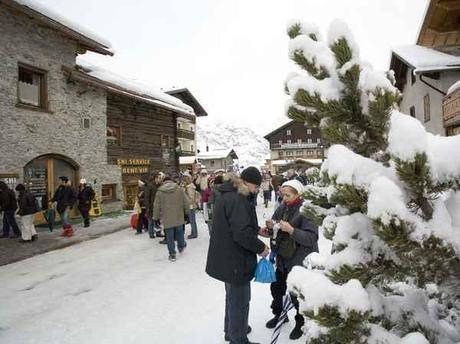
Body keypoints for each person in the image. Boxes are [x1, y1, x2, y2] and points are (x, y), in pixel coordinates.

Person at [206, 167, 269, 344]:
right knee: (240, 300)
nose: (256, 190)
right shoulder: (237, 199)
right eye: (256, 187)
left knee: (233, 297)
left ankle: (232, 329)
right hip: (235, 258)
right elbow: (241, 233)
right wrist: (261, 248)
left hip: (228, 257)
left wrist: (257, 230)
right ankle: (238, 338)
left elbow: (236, 223)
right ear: (248, 182)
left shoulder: (230, 194)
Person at [260, 179, 318, 340]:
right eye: (282, 195)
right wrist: (270, 228)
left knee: (296, 295)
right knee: (276, 289)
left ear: (298, 194)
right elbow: (276, 233)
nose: (284, 198)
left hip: (299, 261)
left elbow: (312, 238)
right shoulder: (281, 208)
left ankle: (301, 322)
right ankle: (280, 315)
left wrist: (292, 230)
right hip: (282, 258)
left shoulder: (307, 210)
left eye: (288, 195)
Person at [153, 175, 190, 262]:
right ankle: (181, 246)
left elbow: (156, 206)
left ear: (164, 182)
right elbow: (186, 202)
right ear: (172, 181)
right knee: (180, 233)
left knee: (169, 237)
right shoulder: (179, 189)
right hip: (179, 216)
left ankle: (172, 254)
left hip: (167, 218)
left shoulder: (160, 192)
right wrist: (187, 213)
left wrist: (156, 218)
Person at [145, 172, 163, 239]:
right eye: (159, 178)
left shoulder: (159, 185)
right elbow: (146, 197)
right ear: (156, 178)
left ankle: (158, 233)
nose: (160, 179)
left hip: (158, 206)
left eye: (161, 178)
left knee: (158, 220)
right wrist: (148, 207)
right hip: (151, 206)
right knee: (151, 221)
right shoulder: (150, 186)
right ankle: (151, 233)